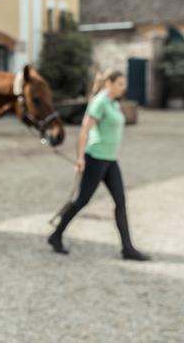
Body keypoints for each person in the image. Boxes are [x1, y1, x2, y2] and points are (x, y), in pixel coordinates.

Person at [48, 70, 150, 261]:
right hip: (96, 158)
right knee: (82, 201)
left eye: (123, 83)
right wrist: (80, 158)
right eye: (119, 83)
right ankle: (56, 235)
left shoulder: (112, 102)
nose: (123, 87)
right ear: (108, 83)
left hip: (110, 160)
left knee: (120, 201)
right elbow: (84, 131)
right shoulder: (100, 102)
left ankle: (127, 248)